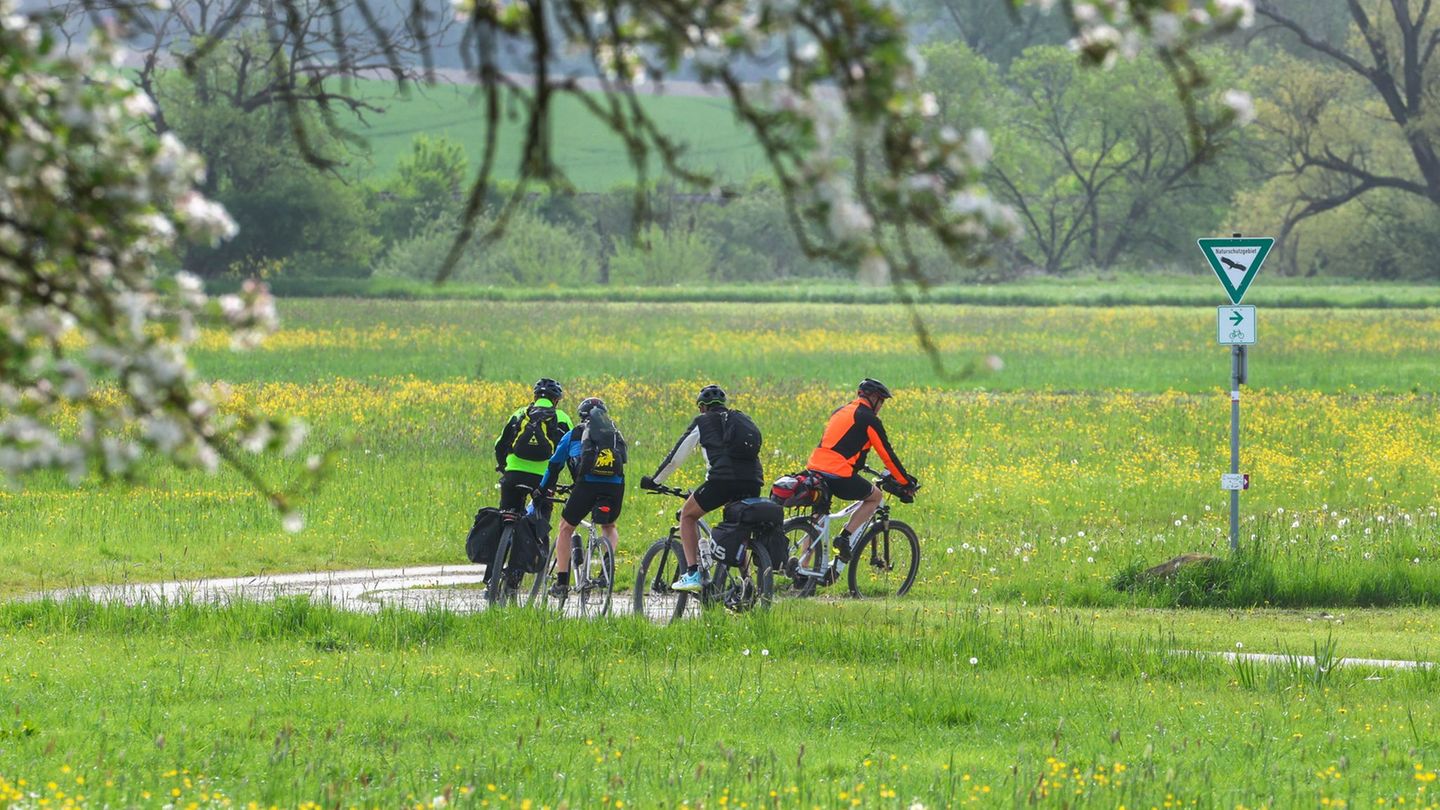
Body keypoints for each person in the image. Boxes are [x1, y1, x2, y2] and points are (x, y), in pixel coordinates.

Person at [640, 384, 764, 593]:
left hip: (722, 481)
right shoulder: (740, 419)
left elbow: (675, 457)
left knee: (688, 516)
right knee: (736, 527)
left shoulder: (703, 421)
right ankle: (746, 582)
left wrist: (655, 480)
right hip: (753, 480)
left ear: (702, 407)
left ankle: (692, 573)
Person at [804, 378, 918, 563]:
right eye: (881, 401)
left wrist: (858, 463)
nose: (881, 406)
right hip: (838, 474)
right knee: (875, 497)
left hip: (814, 469)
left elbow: (841, 443)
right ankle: (845, 537)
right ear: (873, 398)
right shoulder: (869, 419)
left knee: (818, 516)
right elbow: (887, 455)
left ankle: (803, 568)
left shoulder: (840, 411)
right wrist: (905, 482)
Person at [538, 397, 625, 598]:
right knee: (609, 527)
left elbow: (554, 466)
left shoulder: (574, 434)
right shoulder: (613, 434)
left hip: (586, 485)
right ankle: (606, 569)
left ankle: (561, 583)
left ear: (582, 416)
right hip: (615, 486)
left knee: (566, 528)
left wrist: (541, 491)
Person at [493, 378, 573, 516]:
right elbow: (573, 451)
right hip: (543, 479)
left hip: (513, 473)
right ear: (555, 400)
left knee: (504, 515)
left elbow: (500, 444)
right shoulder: (562, 418)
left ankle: (503, 534)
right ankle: (540, 536)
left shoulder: (519, 414)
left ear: (535, 397)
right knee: (541, 518)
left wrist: (503, 466)